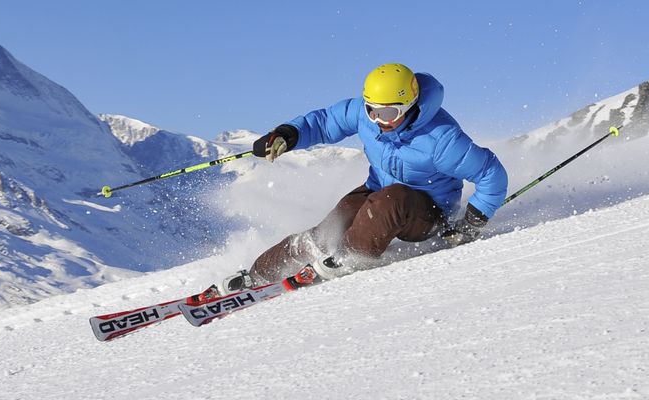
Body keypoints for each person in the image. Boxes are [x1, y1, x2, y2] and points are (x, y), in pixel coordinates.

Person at [218, 63, 508, 294]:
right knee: (331, 228)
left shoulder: (441, 138)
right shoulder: (364, 114)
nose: (379, 120)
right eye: (372, 111)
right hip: (378, 192)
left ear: (409, 106)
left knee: (390, 201)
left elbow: (491, 175)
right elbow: (324, 122)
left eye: (388, 112)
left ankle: (347, 258)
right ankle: (258, 275)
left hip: (428, 211)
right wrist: (286, 135)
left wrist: (470, 224)